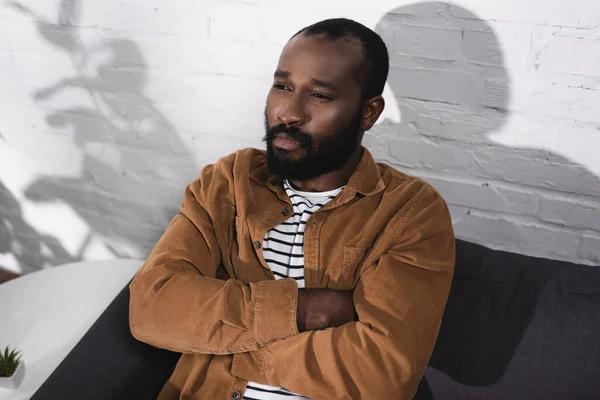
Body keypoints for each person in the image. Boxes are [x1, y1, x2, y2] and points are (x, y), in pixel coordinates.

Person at [129, 18, 455, 400]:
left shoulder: (409, 213)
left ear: (368, 112)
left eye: (319, 95)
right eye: (282, 86)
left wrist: (226, 339)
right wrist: (305, 309)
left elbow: (383, 374)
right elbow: (152, 308)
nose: (288, 112)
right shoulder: (227, 184)